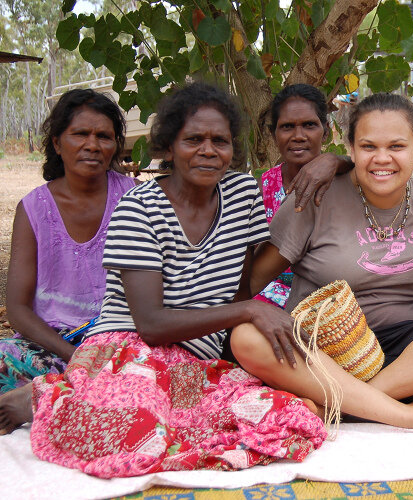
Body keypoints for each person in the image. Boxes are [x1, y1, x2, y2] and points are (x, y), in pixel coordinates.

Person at [0, 82, 327, 477]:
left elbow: (237, 291)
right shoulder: (139, 207)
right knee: (140, 431)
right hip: (130, 349)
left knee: (287, 420)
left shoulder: (242, 194)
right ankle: (47, 400)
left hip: (193, 358)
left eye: (219, 141)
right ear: (168, 148)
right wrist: (251, 311)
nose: (208, 150)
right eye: (193, 139)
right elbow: (151, 325)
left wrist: (239, 351)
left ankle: (74, 396)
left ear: (232, 150)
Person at [230, 93, 413, 432]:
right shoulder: (314, 199)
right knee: (245, 337)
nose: (382, 159)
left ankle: (343, 407)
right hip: (322, 356)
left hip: (412, 359)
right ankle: (409, 415)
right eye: (368, 147)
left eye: (396, 146)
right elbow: (248, 286)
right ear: (349, 148)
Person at [0, 89, 136, 393]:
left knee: (148, 371)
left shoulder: (136, 198)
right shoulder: (34, 208)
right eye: (80, 134)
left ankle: (49, 395)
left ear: (115, 145)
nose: (92, 145)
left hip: (122, 343)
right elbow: (18, 309)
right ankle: (62, 391)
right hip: (55, 345)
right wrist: (74, 356)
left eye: (104, 136)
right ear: (58, 143)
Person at [255, 83, 349, 308]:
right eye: (287, 127)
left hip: (331, 305)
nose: (298, 136)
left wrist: (335, 160)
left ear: (325, 132)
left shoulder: (345, 181)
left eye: (309, 125)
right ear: (273, 134)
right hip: (266, 304)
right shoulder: (261, 189)